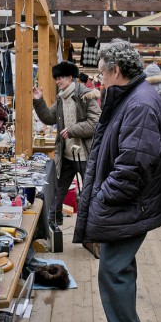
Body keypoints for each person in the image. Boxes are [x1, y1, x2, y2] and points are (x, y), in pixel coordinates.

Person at [72, 40, 161, 322]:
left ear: (116, 70)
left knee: (114, 270)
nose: (99, 78)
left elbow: (134, 165)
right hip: (131, 202)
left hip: (131, 203)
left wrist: (105, 197)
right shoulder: (134, 97)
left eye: (101, 72)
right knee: (121, 268)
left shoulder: (140, 103)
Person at [32, 61, 101, 225]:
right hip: (67, 155)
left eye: (60, 78)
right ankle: (54, 224)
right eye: (56, 78)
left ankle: (92, 228)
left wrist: (72, 129)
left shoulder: (86, 95)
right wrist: (39, 101)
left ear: (70, 77)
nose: (57, 81)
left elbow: (96, 123)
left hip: (86, 154)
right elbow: (49, 117)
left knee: (90, 193)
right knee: (59, 191)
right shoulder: (62, 98)